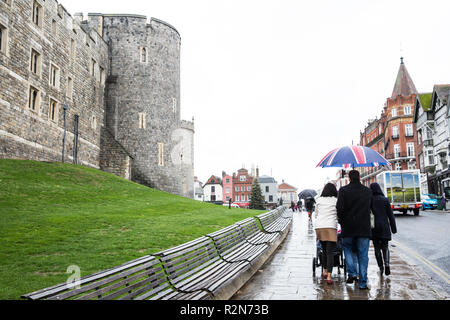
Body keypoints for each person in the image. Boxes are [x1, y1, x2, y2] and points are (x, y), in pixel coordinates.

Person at [336, 170, 373, 290]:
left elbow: (339, 209)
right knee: (363, 255)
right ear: (359, 177)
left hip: (348, 228)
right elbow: (371, 208)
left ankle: (351, 273)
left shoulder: (343, 191)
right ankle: (362, 282)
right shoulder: (368, 191)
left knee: (347, 249)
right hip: (363, 228)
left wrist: (342, 222)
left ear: (349, 178)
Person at [370, 182, 397, 276]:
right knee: (385, 247)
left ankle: (381, 268)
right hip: (384, 227)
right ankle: (387, 264)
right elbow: (391, 216)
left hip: (374, 228)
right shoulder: (385, 200)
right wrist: (393, 229)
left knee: (377, 249)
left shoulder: (370, 200)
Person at [314, 183, 339, 285]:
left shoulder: (319, 200)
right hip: (331, 227)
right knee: (330, 252)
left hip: (320, 227)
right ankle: (329, 276)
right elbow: (338, 214)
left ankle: (324, 271)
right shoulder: (336, 200)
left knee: (323, 250)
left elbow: (316, 214)